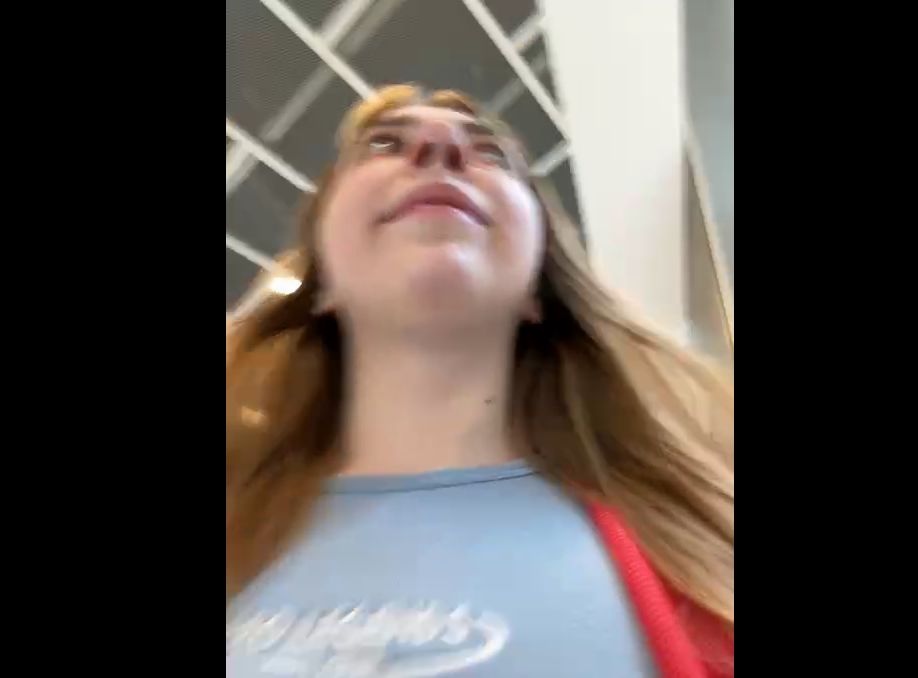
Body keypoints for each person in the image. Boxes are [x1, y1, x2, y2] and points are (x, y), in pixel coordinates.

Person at [226, 84, 733, 677]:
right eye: (383, 145)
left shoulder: (701, 551)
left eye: (491, 154)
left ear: (537, 292)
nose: (440, 143)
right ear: (322, 285)